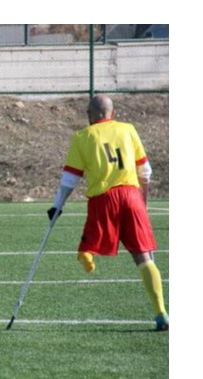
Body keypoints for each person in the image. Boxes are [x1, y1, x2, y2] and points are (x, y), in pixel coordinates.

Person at [47, 94, 168, 331]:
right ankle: (161, 313)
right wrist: (142, 201)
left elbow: (69, 180)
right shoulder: (128, 130)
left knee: (94, 234)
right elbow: (145, 171)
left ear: (89, 115)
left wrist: (57, 206)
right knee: (144, 257)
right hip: (131, 195)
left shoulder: (83, 137)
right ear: (113, 114)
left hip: (103, 198)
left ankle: (86, 253)